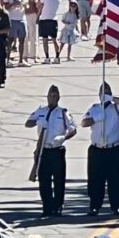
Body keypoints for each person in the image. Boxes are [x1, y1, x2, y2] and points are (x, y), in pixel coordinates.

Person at [26, 84, 77, 219]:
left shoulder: (63, 112)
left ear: (58, 97)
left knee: (59, 180)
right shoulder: (41, 111)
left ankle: (58, 207)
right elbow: (28, 123)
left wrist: (63, 137)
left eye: (54, 96)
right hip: (44, 150)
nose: (52, 98)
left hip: (57, 150)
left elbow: (73, 129)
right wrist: (38, 122)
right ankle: (47, 207)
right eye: (50, 95)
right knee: (44, 181)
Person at [82, 83, 119, 217]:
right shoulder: (95, 108)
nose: (104, 93)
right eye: (102, 91)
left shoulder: (116, 108)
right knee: (95, 180)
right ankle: (94, 206)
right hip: (97, 149)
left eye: (107, 90)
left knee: (115, 179)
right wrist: (96, 118)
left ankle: (116, 206)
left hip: (113, 149)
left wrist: (111, 97)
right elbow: (84, 123)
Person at [37, 0, 62, 64]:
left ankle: (47, 58)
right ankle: (57, 57)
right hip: (53, 19)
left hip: (44, 19)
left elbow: (39, 5)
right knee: (54, 40)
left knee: (45, 40)